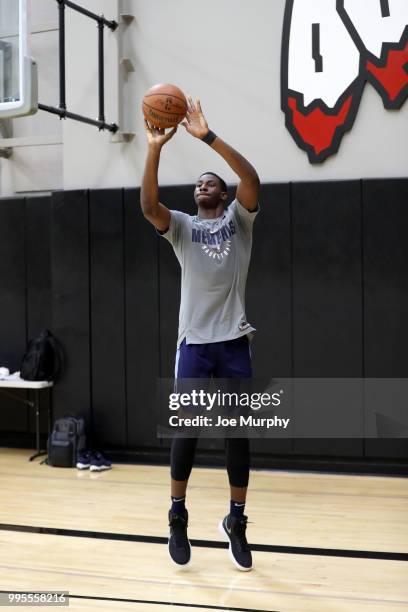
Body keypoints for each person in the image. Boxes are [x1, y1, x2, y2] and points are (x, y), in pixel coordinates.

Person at [140, 97, 260, 571]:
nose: (203, 184)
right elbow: (149, 205)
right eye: (198, 183)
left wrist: (207, 137)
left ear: (224, 196)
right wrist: (155, 149)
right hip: (193, 343)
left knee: (238, 435)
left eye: (212, 181)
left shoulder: (240, 222)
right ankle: (176, 513)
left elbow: (250, 179)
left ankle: (236, 520)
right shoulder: (184, 228)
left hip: (233, 341)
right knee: (186, 430)